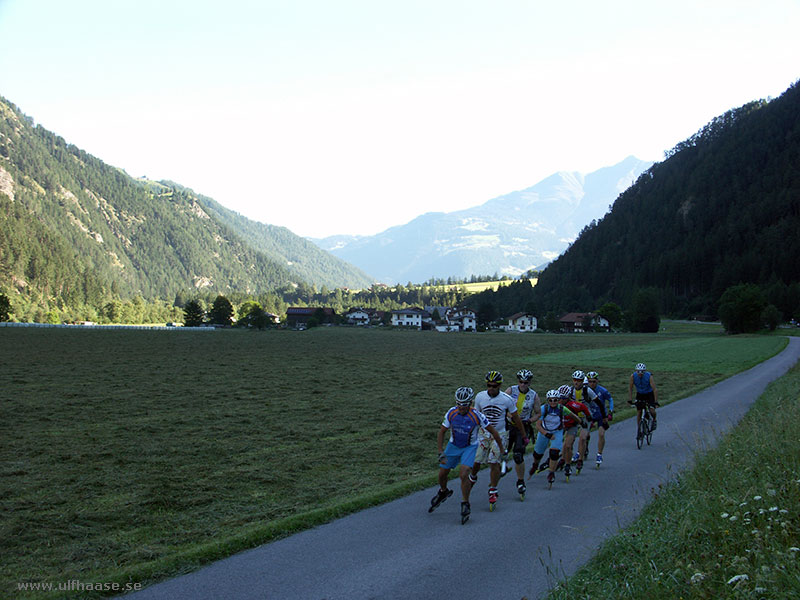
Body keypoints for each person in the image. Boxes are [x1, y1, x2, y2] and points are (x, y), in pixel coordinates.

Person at [432, 386, 505, 524]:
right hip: (453, 446)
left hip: (469, 447)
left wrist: (501, 450)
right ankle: (443, 491)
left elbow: (494, 432)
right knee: (442, 474)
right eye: (458, 404)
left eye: (464, 404)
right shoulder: (451, 413)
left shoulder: (477, 415)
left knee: (464, 473)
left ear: (470, 403)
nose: (461, 407)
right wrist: (440, 451)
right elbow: (442, 432)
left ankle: (465, 503)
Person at [470, 370, 528, 510]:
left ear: (500, 386)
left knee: (493, 462)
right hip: (484, 433)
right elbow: (476, 416)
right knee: (477, 460)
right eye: (489, 385)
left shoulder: (506, 399)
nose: (491, 388)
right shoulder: (480, 397)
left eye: (494, 386)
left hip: (500, 434)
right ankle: (473, 476)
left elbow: (516, 418)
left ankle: (493, 489)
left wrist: (524, 435)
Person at [527, 389, 579, 488]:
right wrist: (546, 434)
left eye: (555, 400)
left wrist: (581, 422)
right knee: (538, 454)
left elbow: (573, 415)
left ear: (558, 400)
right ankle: (535, 464)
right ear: (548, 400)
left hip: (557, 432)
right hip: (544, 431)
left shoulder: (561, 409)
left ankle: (551, 473)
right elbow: (538, 425)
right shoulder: (543, 409)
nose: (553, 402)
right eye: (551, 400)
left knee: (554, 453)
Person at [504, 368, 540, 499]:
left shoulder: (534, 395)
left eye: (526, 382)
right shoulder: (510, 391)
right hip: (509, 425)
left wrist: (529, 420)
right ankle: (501, 469)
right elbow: (501, 406)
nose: (523, 384)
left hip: (522, 428)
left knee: (518, 455)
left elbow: (538, 413)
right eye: (521, 382)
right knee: (502, 451)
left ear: (530, 382)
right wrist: (509, 415)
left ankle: (520, 482)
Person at [556, 384, 592, 479]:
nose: (561, 400)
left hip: (572, 425)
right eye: (560, 398)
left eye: (563, 398)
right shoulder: (555, 404)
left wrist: (588, 416)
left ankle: (573, 462)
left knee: (568, 445)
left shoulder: (573, 405)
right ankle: (562, 459)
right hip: (562, 425)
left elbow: (583, 407)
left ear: (568, 397)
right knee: (559, 445)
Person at [569, 370, 601, 467]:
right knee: (570, 439)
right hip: (574, 416)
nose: (576, 382)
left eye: (579, 380)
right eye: (575, 380)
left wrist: (602, 417)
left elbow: (599, 404)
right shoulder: (570, 390)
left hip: (586, 417)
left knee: (582, 438)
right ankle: (567, 458)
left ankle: (580, 459)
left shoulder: (588, 391)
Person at [585, 371, 613, 467]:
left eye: (594, 381)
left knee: (601, 434)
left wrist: (611, 411)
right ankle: (585, 448)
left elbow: (610, 399)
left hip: (601, 415)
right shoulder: (585, 391)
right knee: (586, 435)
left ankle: (599, 454)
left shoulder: (602, 390)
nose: (592, 384)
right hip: (590, 415)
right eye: (590, 381)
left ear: (597, 381)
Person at [628, 362, 659, 430]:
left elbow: (655, 389)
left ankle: (654, 420)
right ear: (636, 371)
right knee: (639, 411)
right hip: (640, 394)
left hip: (649, 394)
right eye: (638, 371)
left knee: (652, 410)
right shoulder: (633, 376)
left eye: (642, 372)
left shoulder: (649, 376)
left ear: (644, 371)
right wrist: (630, 399)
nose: (640, 373)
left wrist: (656, 401)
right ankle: (639, 428)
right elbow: (630, 388)